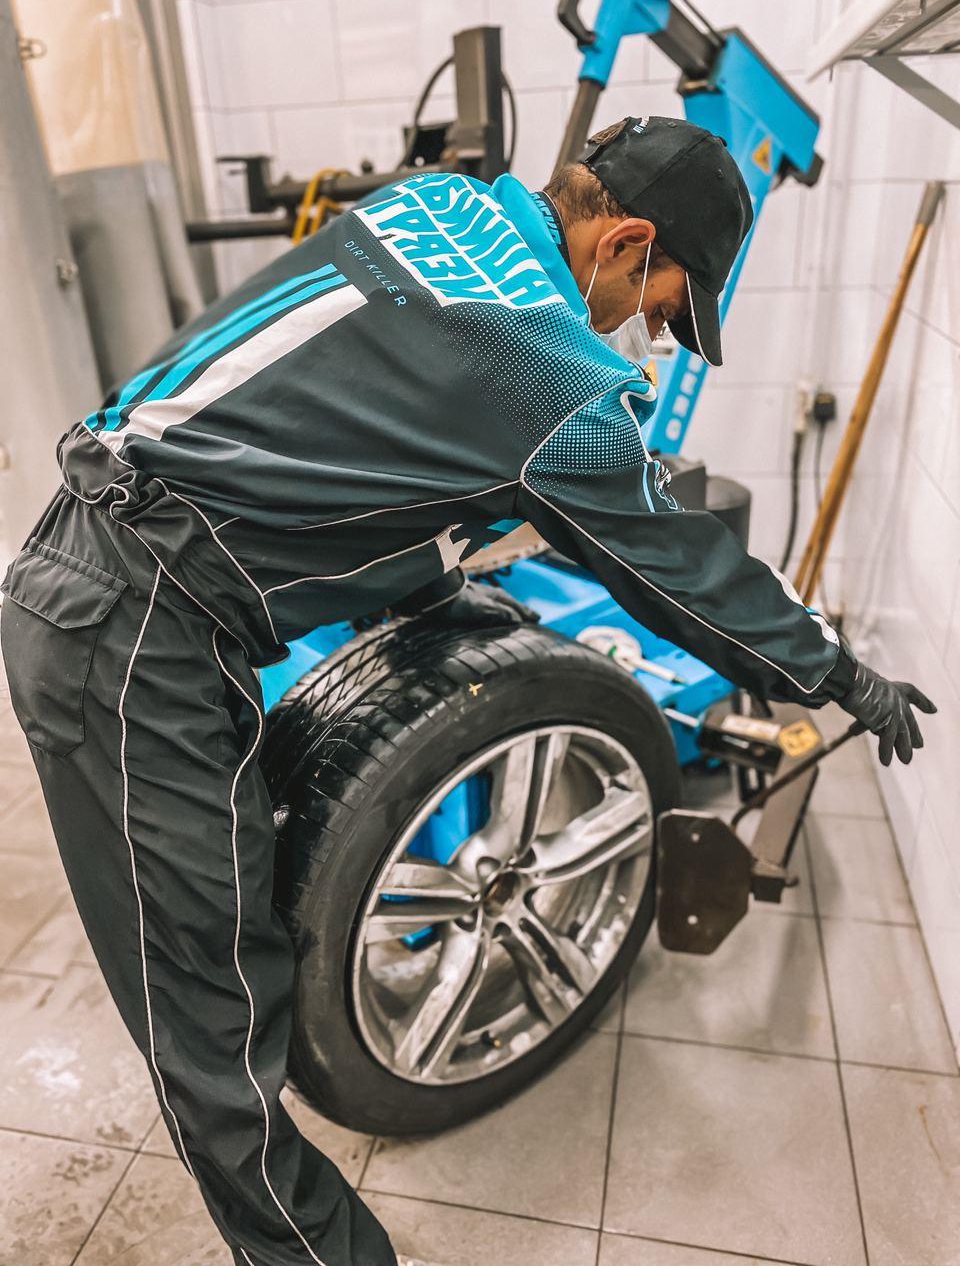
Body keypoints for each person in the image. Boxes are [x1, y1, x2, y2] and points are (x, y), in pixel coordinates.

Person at [0, 115, 934, 1266]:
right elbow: (677, 563)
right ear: (624, 242)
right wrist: (835, 671)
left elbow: (370, 423)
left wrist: (446, 592)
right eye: (661, 303)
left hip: (127, 557)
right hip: (128, 628)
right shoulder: (550, 370)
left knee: (236, 954)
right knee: (217, 1036)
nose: (651, 330)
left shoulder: (436, 206)